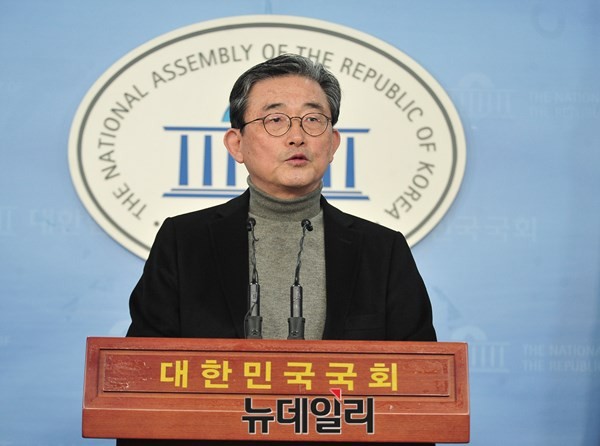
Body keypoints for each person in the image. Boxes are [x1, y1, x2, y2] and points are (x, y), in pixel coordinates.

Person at [121, 54, 436, 445]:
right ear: (236, 144)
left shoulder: (382, 251)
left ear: (333, 143)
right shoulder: (184, 242)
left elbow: (422, 393)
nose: (296, 136)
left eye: (313, 119)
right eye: (275, 119)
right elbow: (142, 386)